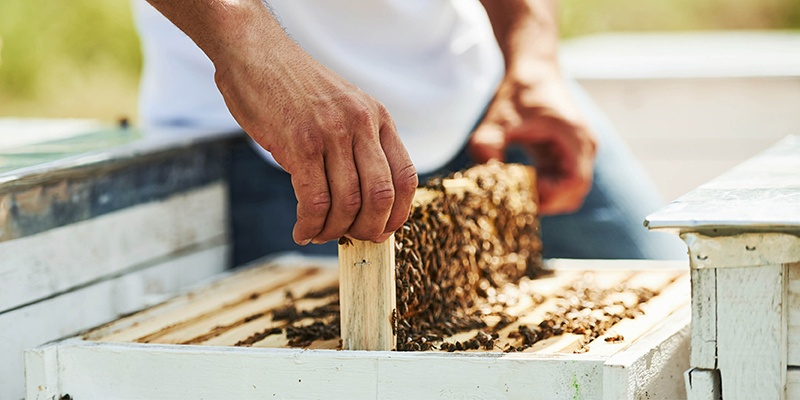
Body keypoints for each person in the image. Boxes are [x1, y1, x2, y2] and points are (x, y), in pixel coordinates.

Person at [134, 0, 686, 264]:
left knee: (680, 316)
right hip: (266, 144)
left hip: (484, 100)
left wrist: (534, 52)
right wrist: (250, 48)